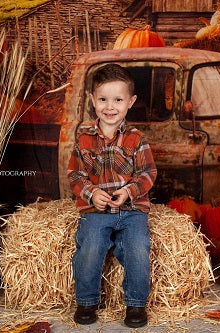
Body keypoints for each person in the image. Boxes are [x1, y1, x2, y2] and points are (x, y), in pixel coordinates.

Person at [67, 64, 157, 328]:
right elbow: (75, 174)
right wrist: (92, 193)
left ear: (130, 102)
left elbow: (148, 173)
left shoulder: (137, 139)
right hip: (96, 211)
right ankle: (86, 301)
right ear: (93, 101)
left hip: (131, 211)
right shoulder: (84, 139)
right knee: (90, 247)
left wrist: (128, 192)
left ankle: (136, 305)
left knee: (138, 249)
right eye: (103, 99)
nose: (110, 107)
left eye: (118, 100)